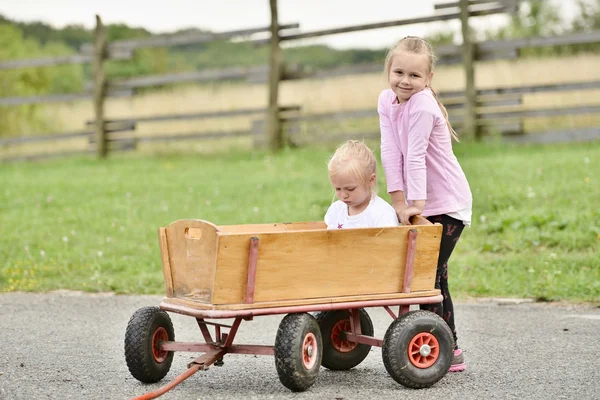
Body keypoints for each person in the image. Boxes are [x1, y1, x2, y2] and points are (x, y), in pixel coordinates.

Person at [378, 36, 473, 373]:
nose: (405, 81)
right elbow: (391, 152)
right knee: (430, 276)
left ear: (428, 78)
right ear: (388, 71)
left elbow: (415, 157)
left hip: (447, 202)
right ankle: (440, 345)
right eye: (399, 72)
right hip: (420, 202)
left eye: (415, 76)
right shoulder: (386, 102)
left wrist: (414, 206)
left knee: (430, 275)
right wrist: (398, 203)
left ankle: (446, 347)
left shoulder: (422, 105)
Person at [324, 140, 399, 230]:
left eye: (350, 189)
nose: (343, 195)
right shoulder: (336, 211)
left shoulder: (382, 214)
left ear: (370, 180)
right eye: (338, 189)